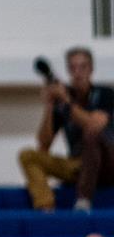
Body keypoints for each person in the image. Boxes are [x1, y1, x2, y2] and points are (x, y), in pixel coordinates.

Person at [20, 47, 114, 211]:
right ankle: (46, 207)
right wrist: (50, 106)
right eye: (73, 68)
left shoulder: (105, 94)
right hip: (78, 165)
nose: (78, 73)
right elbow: (44, 144)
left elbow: (94, 125)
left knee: (91, 135)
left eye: (82, 67)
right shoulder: (64, 99)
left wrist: (66, 101)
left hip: (106, 164)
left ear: (91, 69)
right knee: (28, 156)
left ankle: (83, 200)